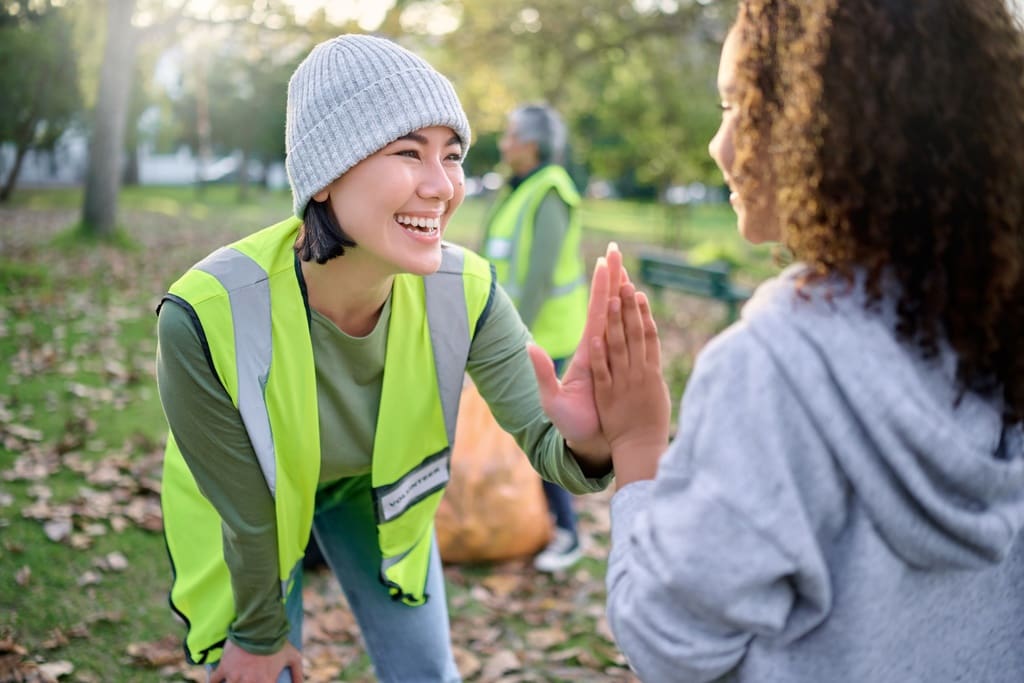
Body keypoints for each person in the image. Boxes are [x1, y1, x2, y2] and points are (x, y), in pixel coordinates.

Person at [156, 35, 618, 683]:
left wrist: (592, 443)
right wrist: (258, 633)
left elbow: (553, 448)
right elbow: (247, 512)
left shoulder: (468, 291)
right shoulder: (205, 315)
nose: (442, 186)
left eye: (452, 156)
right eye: (408, 152)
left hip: (372, 492)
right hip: (249, 506)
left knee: (429, 672)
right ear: (325, 177)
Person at [586, 1, 1024, 681]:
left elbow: (670, 641)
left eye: (739, 107)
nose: (718, 145)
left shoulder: (778, 365)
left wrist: (637, 447)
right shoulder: (998, 327)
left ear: (827, 123)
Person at [481, 104, 588, 572]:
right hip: (523, 333)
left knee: (547, 435)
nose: (503, 144)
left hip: (543, 336)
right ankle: (529, 519)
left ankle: (568, 535)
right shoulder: (520, 188)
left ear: (531, 143)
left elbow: (540, 275)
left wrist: (511, 337)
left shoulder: (550, 191)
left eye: (509, 135)